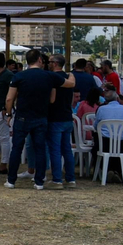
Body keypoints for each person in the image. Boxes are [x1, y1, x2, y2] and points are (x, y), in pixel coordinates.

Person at [3, 50, 76, 190]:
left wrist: (8, 114)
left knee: (17, 149)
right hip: (41, 117)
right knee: (40, 149)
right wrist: (71, 74)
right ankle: (39, 181)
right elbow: (69, 85)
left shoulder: (19, 76)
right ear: (40, 60)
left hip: (22, 116)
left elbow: (9, 98)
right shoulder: (49, 76)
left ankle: (11, 180)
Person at [44, 54, 77, 189]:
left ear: (55, 63)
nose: (48, 63)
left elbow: (52, 99)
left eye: (50, 61)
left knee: (55, 150)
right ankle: (71, 179)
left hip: (55, 117)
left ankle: (57, 179)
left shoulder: (53, 78)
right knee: (67, 150)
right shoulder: (69, 78)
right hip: (67, 116)